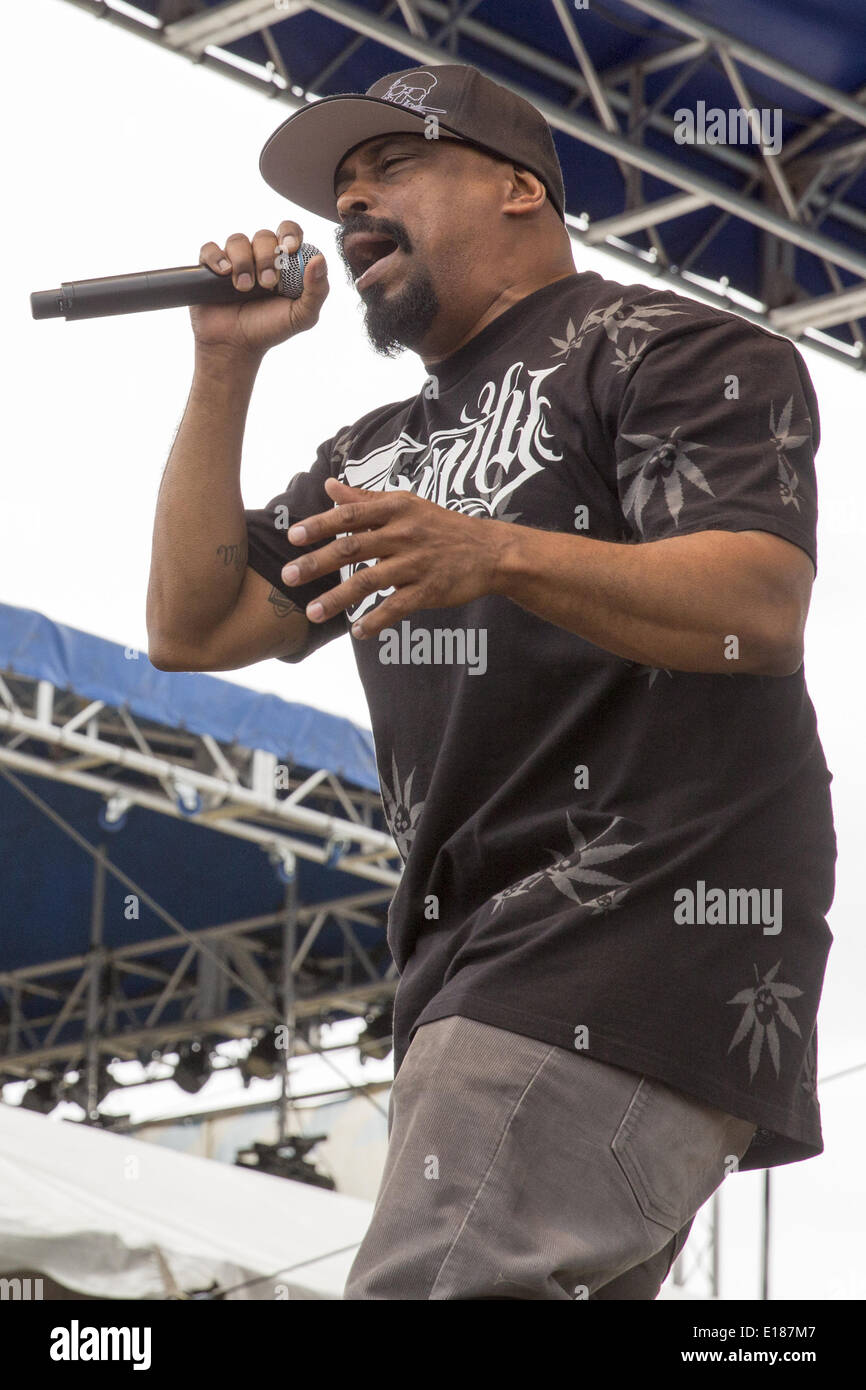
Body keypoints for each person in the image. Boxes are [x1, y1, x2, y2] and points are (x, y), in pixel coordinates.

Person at [146, 64, 836, 1300]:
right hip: (466, 962)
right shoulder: (368, 453)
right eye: (341, 195)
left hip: (627, 930)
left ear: (519, 188)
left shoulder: (668, 348)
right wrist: (223, 366)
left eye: (390, 171)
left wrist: (494, 550)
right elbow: (192, 629)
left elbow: (755, 609)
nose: (353, 210)